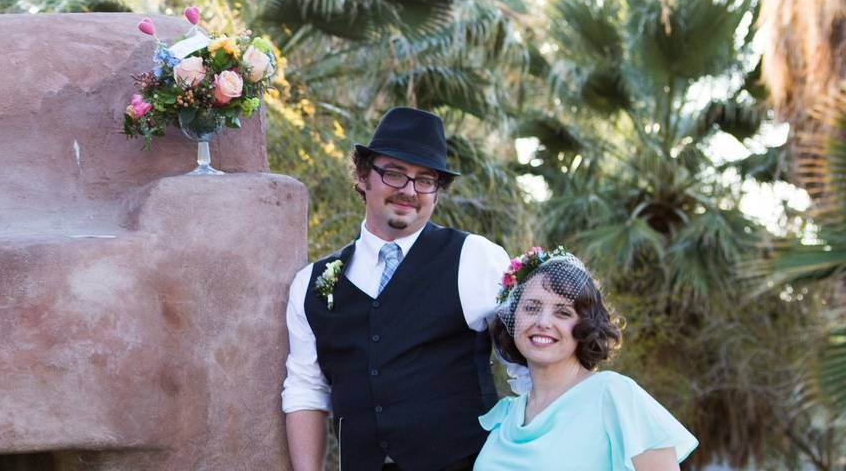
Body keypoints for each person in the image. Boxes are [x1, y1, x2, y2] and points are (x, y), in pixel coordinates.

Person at [282, 107, 510, 471]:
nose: (409, 191)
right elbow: (306, 390)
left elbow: (528, 369)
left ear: (437, 192)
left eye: (425, 180)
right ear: (361, 175)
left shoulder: (476, 258)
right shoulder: (311, 283)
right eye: (394, 174)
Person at [474, 247, 698, 470]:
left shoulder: (614, 395)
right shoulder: (506, 415)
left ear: (585, 326)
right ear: (513, 319)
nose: (543, 322)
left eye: (563, 312)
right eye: (532, 308)